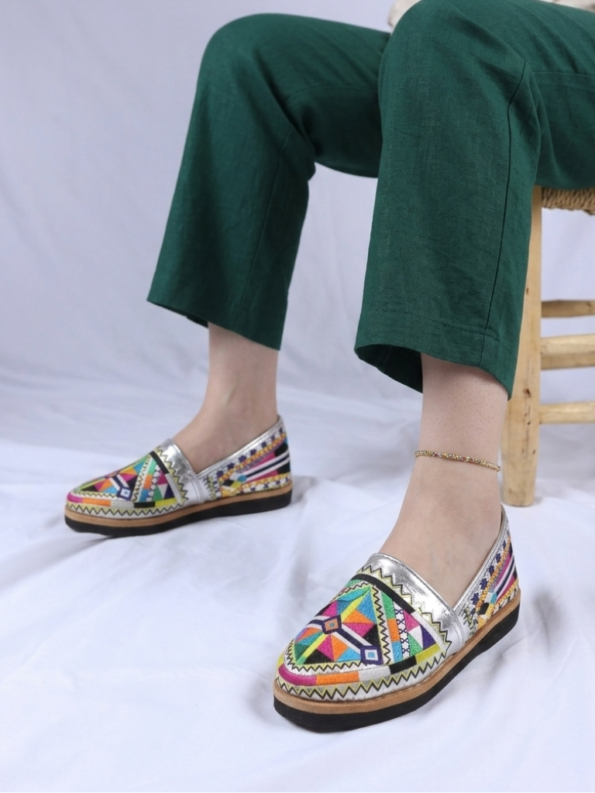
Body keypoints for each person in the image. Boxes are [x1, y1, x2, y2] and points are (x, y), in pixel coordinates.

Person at [63, 0, 595, 731]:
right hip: (497, 36)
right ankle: (238, 428)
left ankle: (460, 513)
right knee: (253, 57)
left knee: (456, 37)